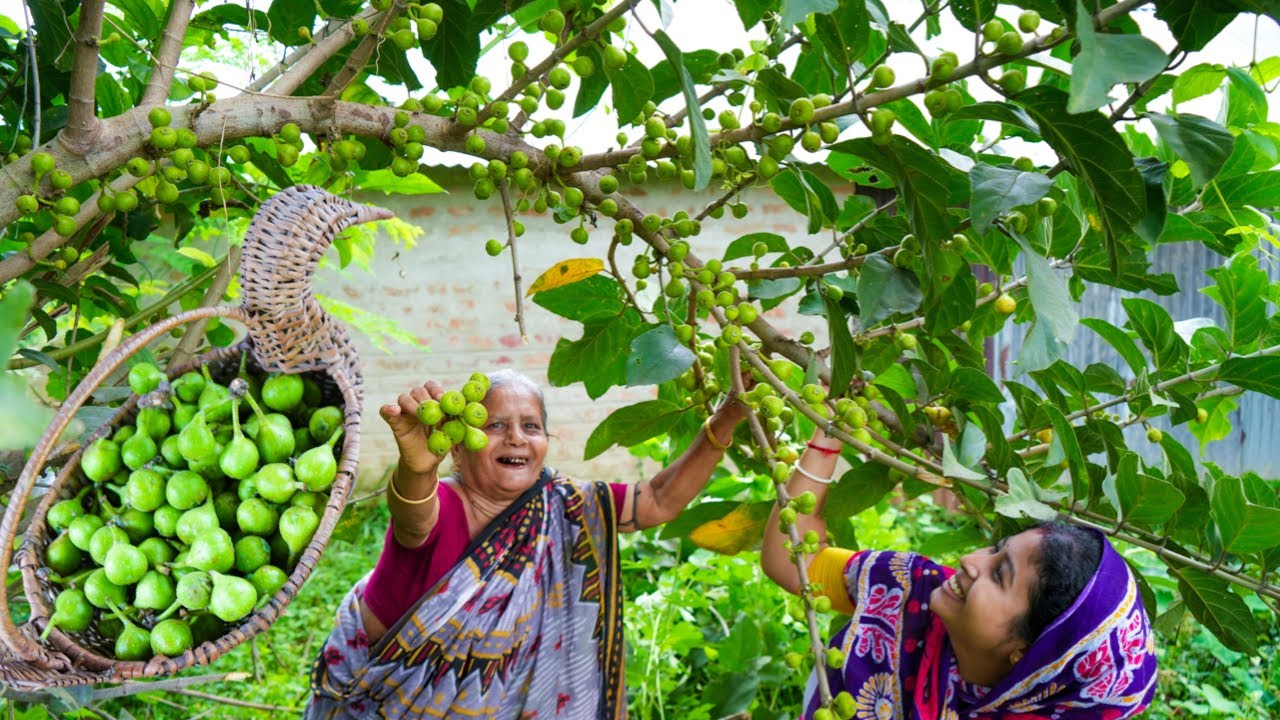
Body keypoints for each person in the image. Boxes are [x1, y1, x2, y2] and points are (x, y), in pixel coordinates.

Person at [306, 369, 748, 719]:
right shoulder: (442, 502)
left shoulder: (564, 503)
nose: (515, 437)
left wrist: (725, 418)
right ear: (457, 451)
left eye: (530, 426)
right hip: (381, 699)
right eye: (495, 425)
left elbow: (657, 500)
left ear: (544, 445)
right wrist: (417, 467)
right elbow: (413, 518)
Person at [761, 426, 1158, 720]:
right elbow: (794, 561)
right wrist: (828, 433)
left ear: (1027, 653)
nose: (972, 561)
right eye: (996, 550)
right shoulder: (910, 589)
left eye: (999, 574)